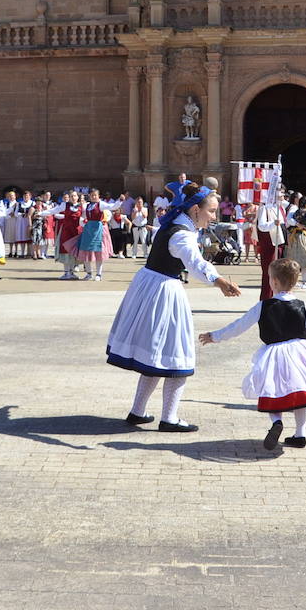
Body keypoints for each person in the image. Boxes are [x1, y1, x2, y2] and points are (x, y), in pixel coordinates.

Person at [106, 181, 241, 432]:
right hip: (163, 290)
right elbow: (195, 262)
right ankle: (169, 418)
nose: (214, 216)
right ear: (195, 210)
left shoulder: (174, 224)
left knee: (156, 355)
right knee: (176, 354)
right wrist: (219, 280)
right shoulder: (181, 233)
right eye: (211, 211)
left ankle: (138, 411)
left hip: (152, 286)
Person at [200, 258, 306, 449]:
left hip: (273, 355)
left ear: (274, 282)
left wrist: (214, 336)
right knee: (300, 392)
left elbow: (238, 326)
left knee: (272, 391)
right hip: (300, 353)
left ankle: (276, 422)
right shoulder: (303, 306)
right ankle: (300, 434)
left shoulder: (263, 306)